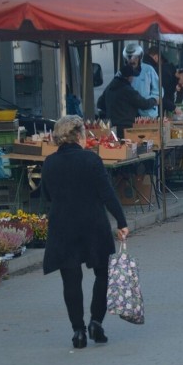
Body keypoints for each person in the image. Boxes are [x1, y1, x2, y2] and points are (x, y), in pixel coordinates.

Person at [41, 115, 129, 349]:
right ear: (79, 135)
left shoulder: (49, 162)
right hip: (93, 225)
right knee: (102, 273)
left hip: (63, 227)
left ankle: (77, 331)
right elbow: (107, 193)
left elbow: (46, 195)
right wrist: (121, 221)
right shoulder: (91, 160)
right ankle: (96, 323)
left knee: (71, 280)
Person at [103, 63, 158, 138]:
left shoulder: (109, 87)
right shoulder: (128, 90)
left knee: (115, 147)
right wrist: (154, 101)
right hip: (126, 127)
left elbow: (100, 103)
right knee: (126, 148)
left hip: (111, 126)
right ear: (128, 77)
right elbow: (143, 104)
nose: (133, 79)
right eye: (132, 76)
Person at [123, 43, 160, 118]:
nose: (132, 60)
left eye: (135, 57)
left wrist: (152, 100)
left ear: (140, 57)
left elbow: (158, 89)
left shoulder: (148, 69)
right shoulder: (122, 72)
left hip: (147, 113)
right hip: (129, 113)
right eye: (129, 58)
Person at [145, 46, 177, 114]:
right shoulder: (152, 69)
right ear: (156, 56)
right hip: (150, 107)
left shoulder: (143, 65)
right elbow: (159, 91)